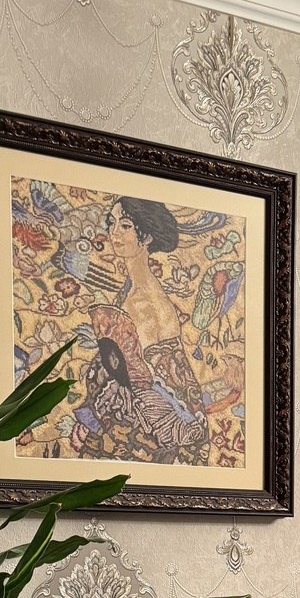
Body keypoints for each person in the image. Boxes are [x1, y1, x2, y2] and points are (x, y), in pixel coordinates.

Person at [72, 196, 211, 464]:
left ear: (146, 237)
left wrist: (91, 421)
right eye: (111, 223)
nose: (114, 233)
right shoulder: (134, 288)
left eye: (125, 225)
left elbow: (144, 379)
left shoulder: (143, 300)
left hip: (147, 425)